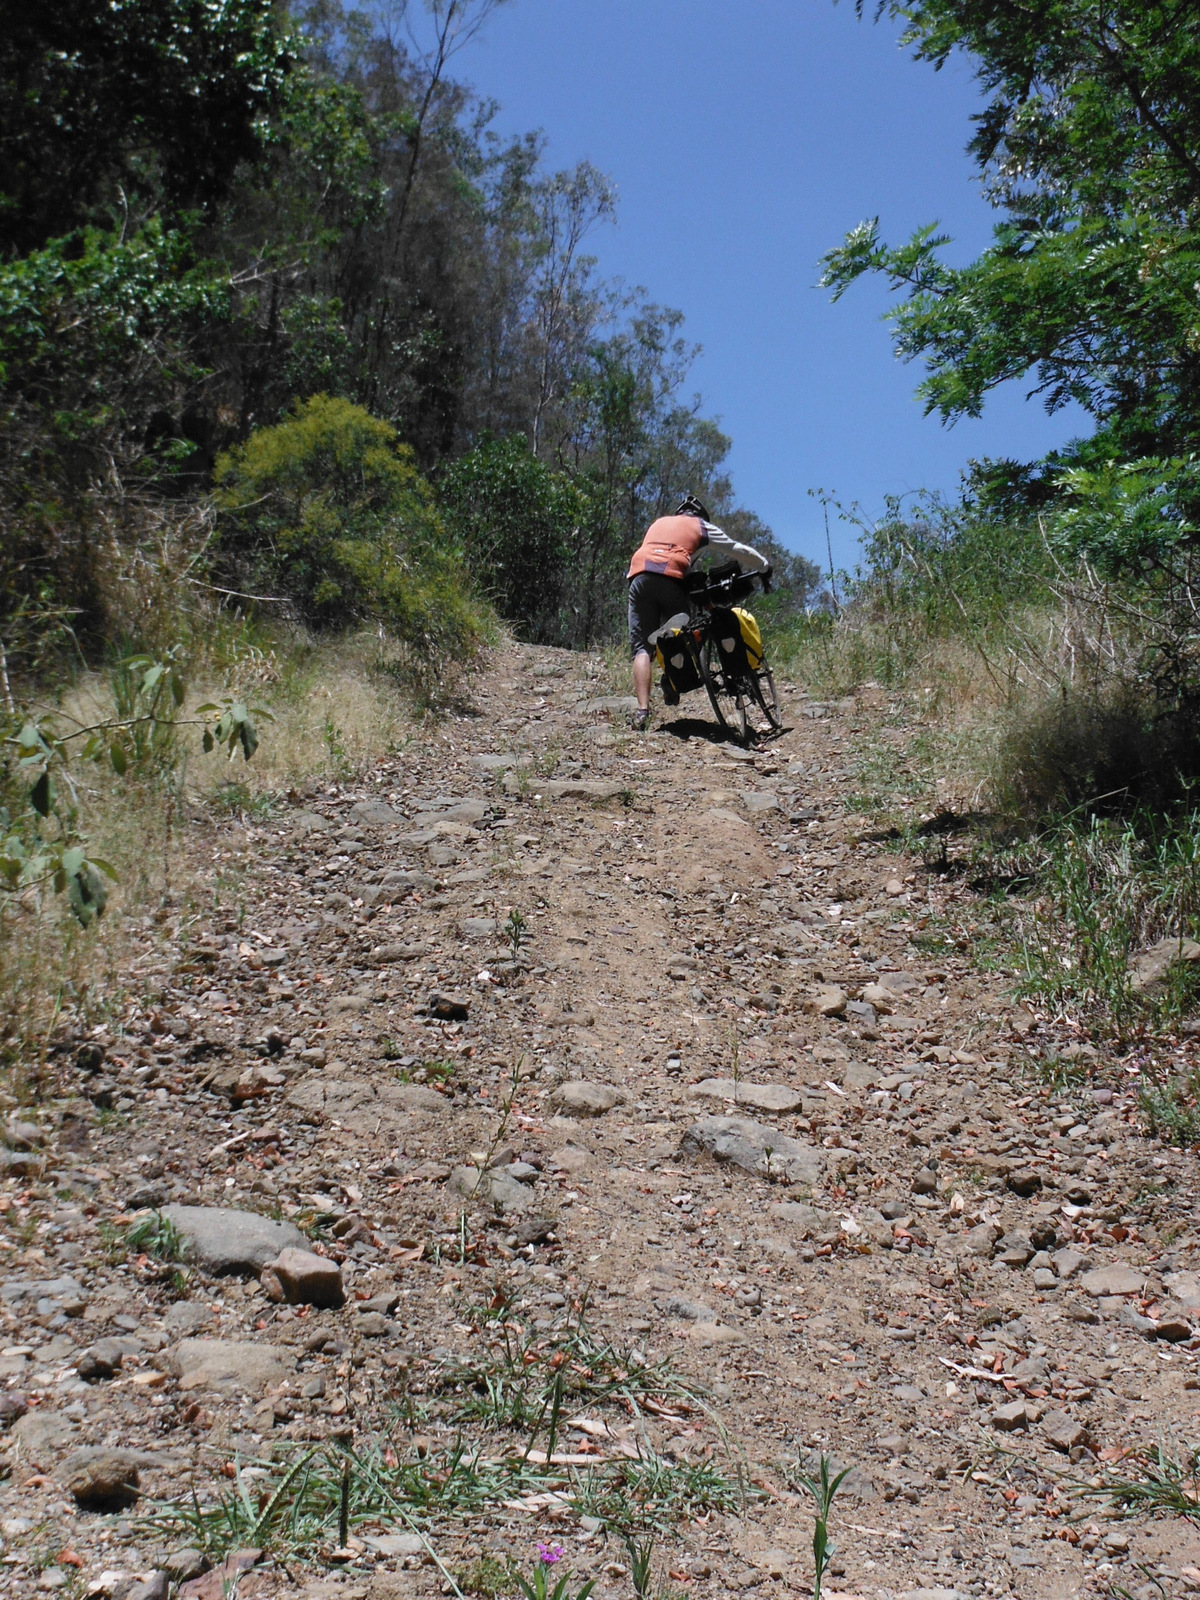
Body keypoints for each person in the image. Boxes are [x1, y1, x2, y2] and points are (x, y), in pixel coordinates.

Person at [626, 494, 770, 728]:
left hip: (639, 577)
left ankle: (643, 711)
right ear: (701, 515)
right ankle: (674, 678)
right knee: (686, 632)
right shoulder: (701, 526)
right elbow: (735, 548)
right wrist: (763, 567)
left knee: (642, 649)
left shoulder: (659, 523)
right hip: (671, 577)